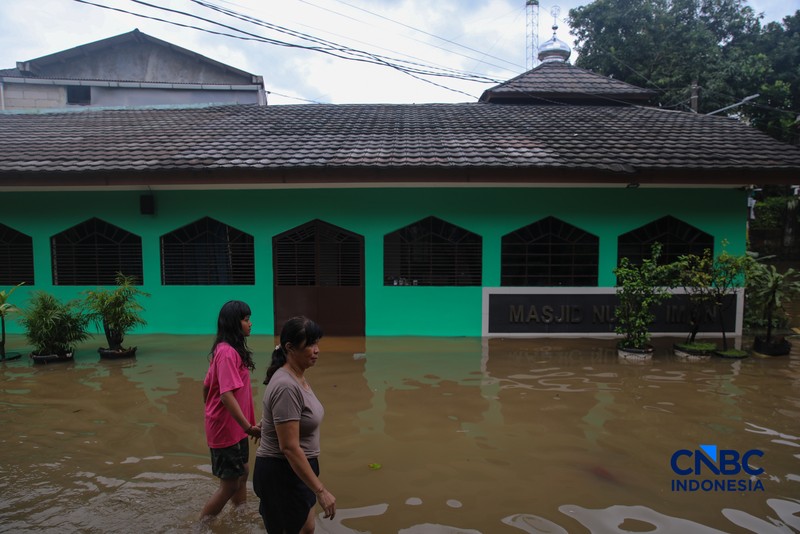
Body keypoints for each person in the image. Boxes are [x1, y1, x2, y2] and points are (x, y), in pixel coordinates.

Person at [253, 316, 336, 533]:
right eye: (309, 344)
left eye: (316, 343)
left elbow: (289, 413)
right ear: (290, 348)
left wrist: (267, 424)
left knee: (307, 528)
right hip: (282, 474)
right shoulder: (287, 386)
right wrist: (321, 491)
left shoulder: (297, 376)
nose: (316, 350)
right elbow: (289, 447)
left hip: (298, 469)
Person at [200, 300, 261, 522]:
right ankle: (201, 524)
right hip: (229, 429)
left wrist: (210, 410)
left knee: (243, 472)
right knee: (229, 484)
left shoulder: (228, 350)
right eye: (246, 320)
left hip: (236, 428)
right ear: (235, 323)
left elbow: (207, 386)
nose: (250, 323)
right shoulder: (226, 353)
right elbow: (225, 395)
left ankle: (241, 512)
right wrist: (248, 427)